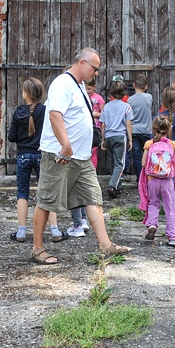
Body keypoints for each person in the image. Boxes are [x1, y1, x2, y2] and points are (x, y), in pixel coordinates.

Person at [31, 48, 131, 265]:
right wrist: (65, 146)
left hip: (82, 158)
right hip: (60, 156)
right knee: (47, 201)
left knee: (94, 199)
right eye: (94, 68)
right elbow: (55, 115)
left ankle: (106, 246)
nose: (96, 73)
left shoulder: (79, 86)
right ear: (82, 63)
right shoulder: (62, 84)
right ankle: (37, 248)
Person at [7, 77, 62, 243]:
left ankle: (21, 231)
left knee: (22, 192)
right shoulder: (45, 111)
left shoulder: (18, 112)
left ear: (25, 93)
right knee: (47, 193)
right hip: (41, 155)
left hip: (23, 155)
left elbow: (11, 137)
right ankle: (54, 230)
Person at [137, 115, 175, 247]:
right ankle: (172, 237)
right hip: (167, 180)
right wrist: (172, 168)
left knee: (153, 203)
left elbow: (143, 163)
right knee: (170, 207)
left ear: (153, 129)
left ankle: (152, 224)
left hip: (152, 180)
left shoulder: (149, 144)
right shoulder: (173, 145)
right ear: (169, 130)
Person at [67, 79, 104, 237]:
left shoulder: (77, 99)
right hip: (85, 148)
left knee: (73, 188)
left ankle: (79, 224)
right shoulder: (84, 99)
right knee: (88, 189)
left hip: (74, 149)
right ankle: (84, 222)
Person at [100, 78, 133, 199]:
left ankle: (117, 187)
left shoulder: (107, 107)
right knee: (120, 164)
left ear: (111, 93)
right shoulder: (127, 107)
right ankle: (112, 185)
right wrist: (130, 139)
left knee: (113, 162)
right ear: (124, 93)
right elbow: (128, 123)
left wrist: (103, 139)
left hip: (109, 136)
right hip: (120, 136)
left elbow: (103, 124)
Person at [127, 73, 153, 183]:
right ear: (146, 86)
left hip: (134, 130)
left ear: (134, 85)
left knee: (137, 157)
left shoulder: (129, 100)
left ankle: (140, 179)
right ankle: (149, 177)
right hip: (147, 130)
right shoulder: (149, 97)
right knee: (149, 155)